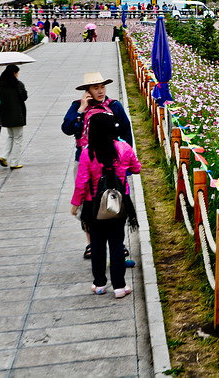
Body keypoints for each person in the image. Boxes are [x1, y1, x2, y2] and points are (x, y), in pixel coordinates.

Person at [62, 71, 134, 264]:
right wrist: (81, 109)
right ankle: (91, 242)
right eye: (95, 87)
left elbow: (126, 133)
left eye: (102, 86)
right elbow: (67, 129)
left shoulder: (114, 106)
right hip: (85, 159)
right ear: (87, 90)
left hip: (113, 161)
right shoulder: (77, 107)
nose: (100, 91)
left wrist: (126, 160)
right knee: (88, 201)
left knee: (116, 200)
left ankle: (119, 244)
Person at [70, 113, 140, 298]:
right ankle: (119, 287)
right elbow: (136, 168)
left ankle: (99, 284)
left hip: (94, 206)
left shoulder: (88, 152)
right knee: (117, 244)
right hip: (118, 203)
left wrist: (75, 204)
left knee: (98, 245)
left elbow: (82, 181)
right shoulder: (124, 148)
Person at [0, 64, 28, 170]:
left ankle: (3, 156)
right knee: (18, 138)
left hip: (5, 114)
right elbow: (24, 97)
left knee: (10, 136)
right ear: (14, 73)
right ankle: (14, 162)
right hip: (17, 115)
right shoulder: (17, 84)